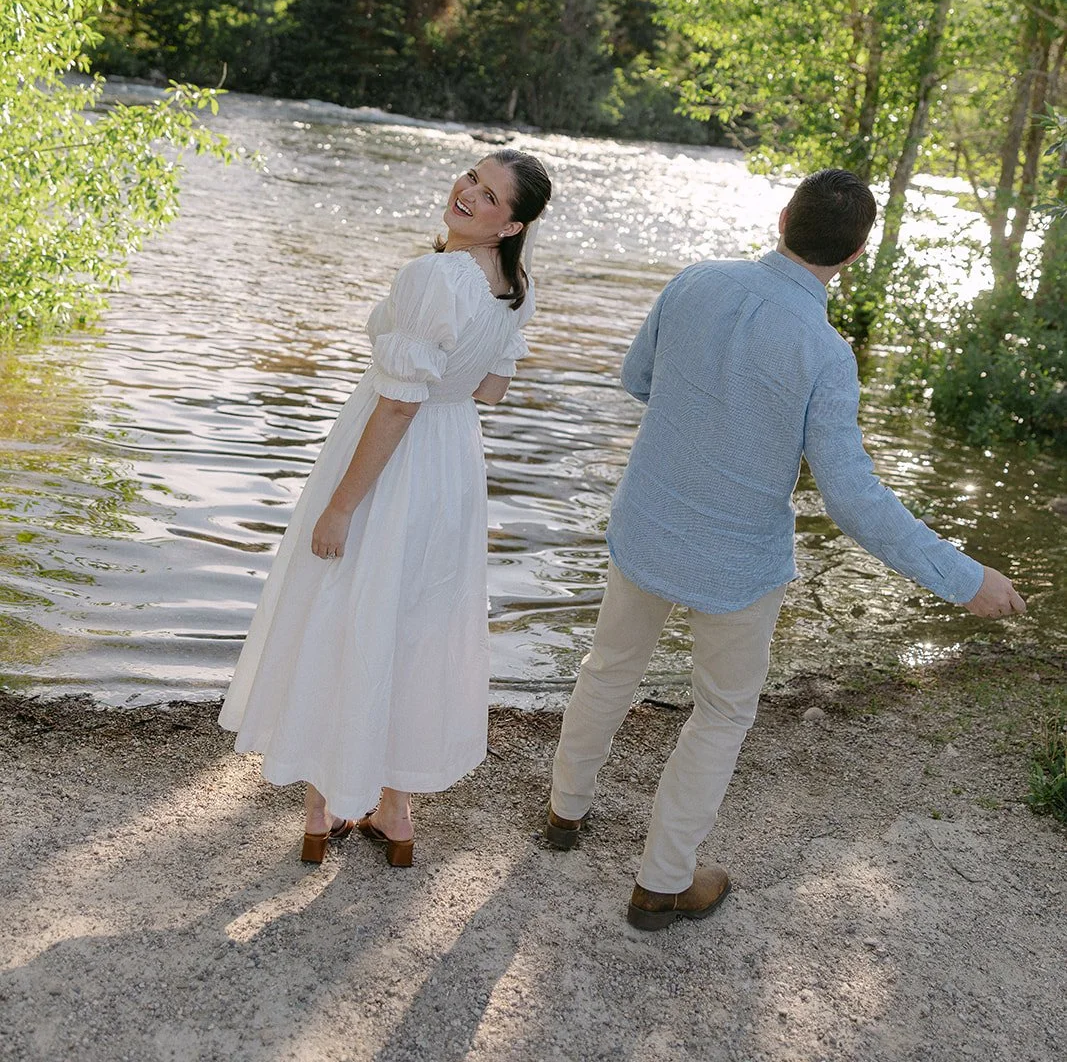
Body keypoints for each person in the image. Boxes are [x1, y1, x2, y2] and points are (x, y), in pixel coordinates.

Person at [545, 169, 1025, 931]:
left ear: (781, 217)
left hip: (649, 523)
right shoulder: (826, 354)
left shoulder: (693, 281)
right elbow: (852, 498)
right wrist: (961, 577)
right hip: (734, 559)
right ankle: (662, 881)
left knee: (609, 667)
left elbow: (637, 380)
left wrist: (705, 422)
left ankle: (564, 814)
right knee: (722, 713)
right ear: (857, 252)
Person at [220, 149, 551, 867]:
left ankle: (322, 805)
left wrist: (341, 506)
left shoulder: (430, 275)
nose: (467, 193)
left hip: (389, 461)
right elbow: (488, 392)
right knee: (418, 623)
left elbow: (399, 400)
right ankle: (395, 812)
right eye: (471, 176)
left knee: (344, 612)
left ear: (510, 223)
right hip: (451, 467)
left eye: (489, 195)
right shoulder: (515, 289)